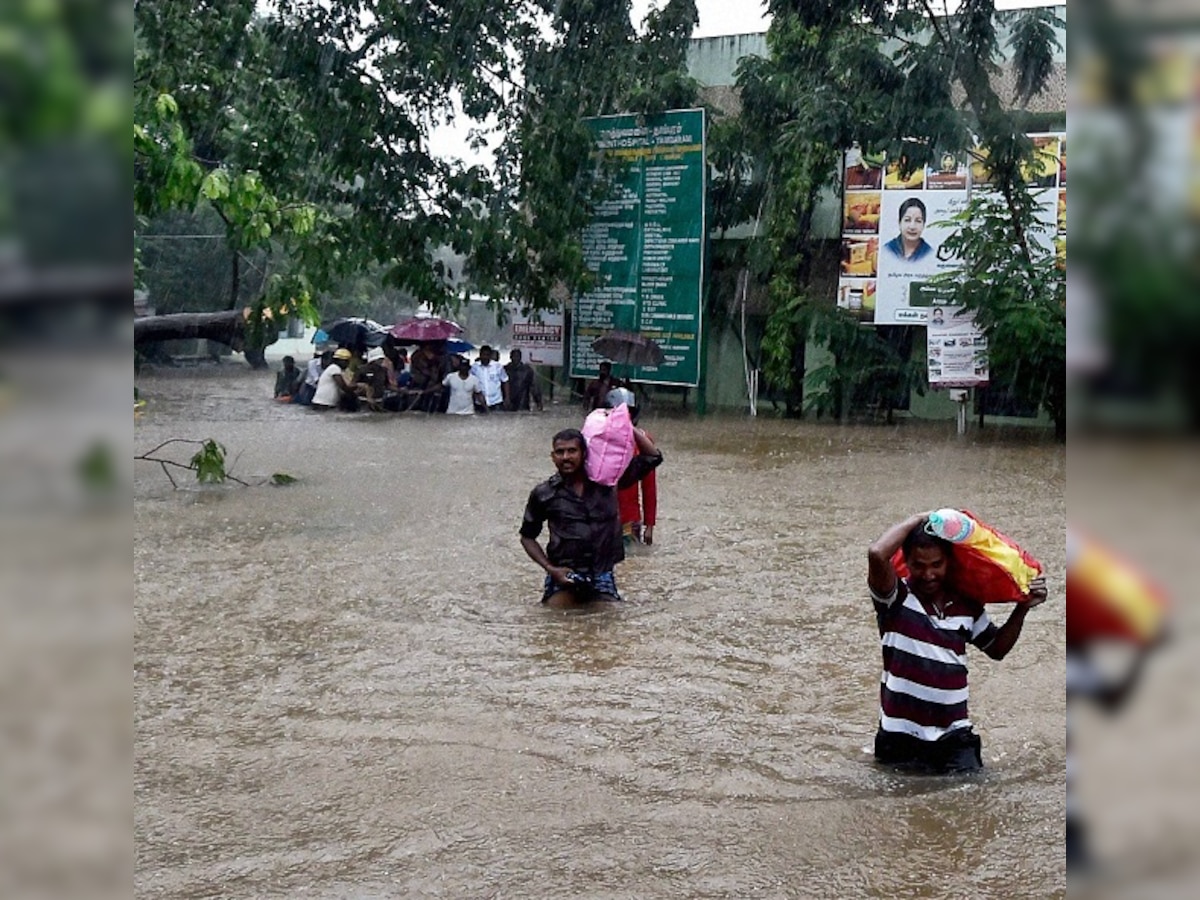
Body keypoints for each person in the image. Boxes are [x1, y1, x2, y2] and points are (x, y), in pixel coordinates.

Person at [866, 511, 1048, 773]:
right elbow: (876, 554)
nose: (928, 574)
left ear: (949, 561)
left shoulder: (966, 605)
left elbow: (996, 649)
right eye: (919, 565)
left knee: (973, 794)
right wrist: (921, 517)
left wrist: (1022, 609)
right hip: (900, 738)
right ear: (905, 561)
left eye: (936, 564)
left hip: (954, 737)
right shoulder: (895, 599)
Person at [519, 426, 662, 609]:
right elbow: (527, 537)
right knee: (555, 621)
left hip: (601, 573)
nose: (566, 457)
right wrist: (550, 569)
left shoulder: (608, 482)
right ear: (552, 457)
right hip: (564, 574)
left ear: (584, 453)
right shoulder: (544, 494)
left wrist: (627, 425)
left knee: (610, 623)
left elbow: (653, 457)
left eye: (572, 451)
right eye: (560, 452)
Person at [607, 387, 657, 546]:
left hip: (629, 520)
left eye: (627, 412)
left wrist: (649, 525)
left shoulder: (643, 442)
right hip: (601, 518)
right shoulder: (596, 439)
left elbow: (649, 487)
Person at [882, 197, 935, 262]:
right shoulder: (887, 249)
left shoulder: (929, 253)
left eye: (918, 221)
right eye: (907, 220)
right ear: (899, 222)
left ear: (924, 224)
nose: (912, 227)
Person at [470, 345, 509, 413]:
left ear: (490, 355)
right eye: (483, 355)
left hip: (496, 402)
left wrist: (507, 397)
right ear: (480, 355)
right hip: (480, 403)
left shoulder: (497, 366)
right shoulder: (474, 367)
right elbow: (470, 382)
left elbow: (505, 381)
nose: (485, 357)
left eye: (487, 355)